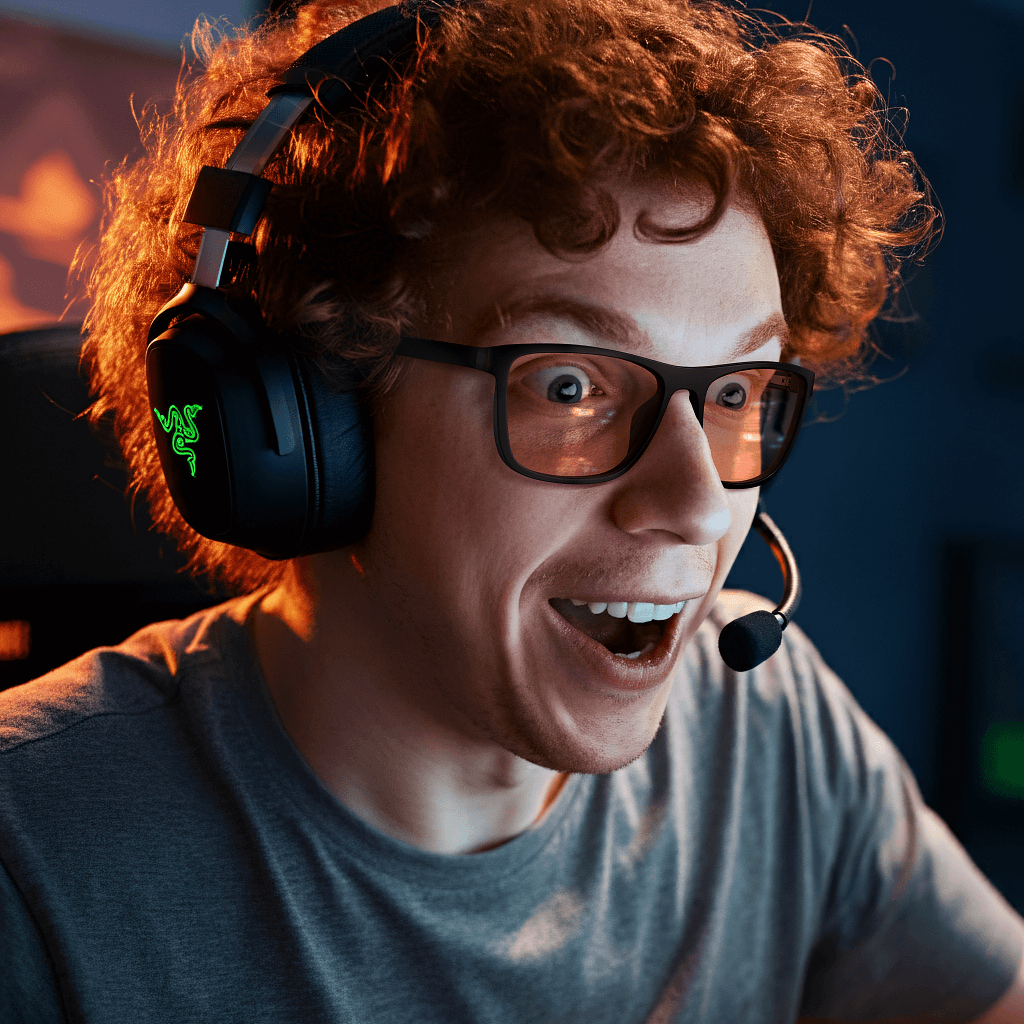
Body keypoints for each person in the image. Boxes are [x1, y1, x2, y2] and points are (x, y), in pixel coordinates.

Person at [2, 0, 1022, 1020]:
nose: (701, 503)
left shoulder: (762, 724)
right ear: (311, 422)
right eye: (571, 384)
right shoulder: (30, 864)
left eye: (736, 390)